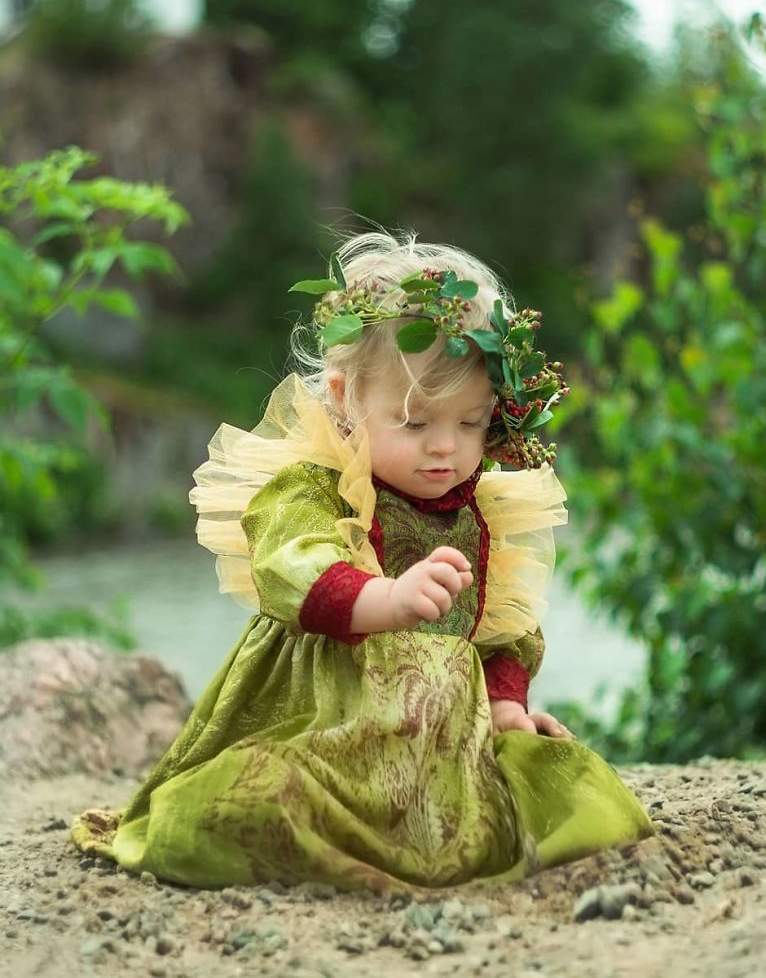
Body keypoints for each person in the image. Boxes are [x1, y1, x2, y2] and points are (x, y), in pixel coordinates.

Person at [72, 231, 653, 890]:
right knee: (252, 799)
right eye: (414, 423)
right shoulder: (318, 486)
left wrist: (505, 703)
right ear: (347, 398)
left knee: (566, 784)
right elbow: (293, 566)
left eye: (470, 424)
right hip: (326, 722)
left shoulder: (483, 514)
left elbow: (505, 631)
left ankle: (443, 820)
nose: (445, 449)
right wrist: (387, 601)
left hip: (441, 746)